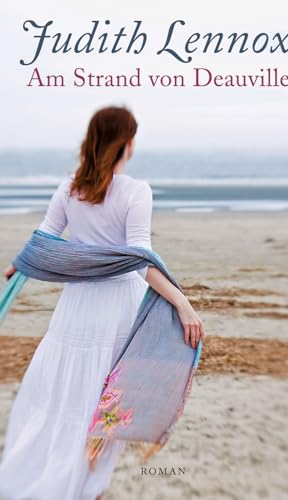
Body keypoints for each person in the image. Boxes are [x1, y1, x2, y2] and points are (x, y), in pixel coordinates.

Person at [0, 106, 205, 500]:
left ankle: (52, 480)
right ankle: (89, 487)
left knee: (66, 395)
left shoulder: (70, 188)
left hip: (76, 306)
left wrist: (15, 266)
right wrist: (183, 303)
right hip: (117, 310)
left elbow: (43, 239)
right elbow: (141, 259)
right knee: (106, 400)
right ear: (128, 143)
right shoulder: (135, 192)